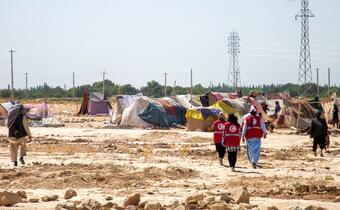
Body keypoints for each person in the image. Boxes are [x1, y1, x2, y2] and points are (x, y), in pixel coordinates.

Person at [6, 102, 32, 166]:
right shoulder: (22, 117)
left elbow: (7, 125)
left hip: (11, 136)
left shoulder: (9, 117)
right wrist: (29, 135)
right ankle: (21, 157)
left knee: (13, 149)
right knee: (23, 146)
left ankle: (15, 162)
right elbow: (26, 126)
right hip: (21, 136)